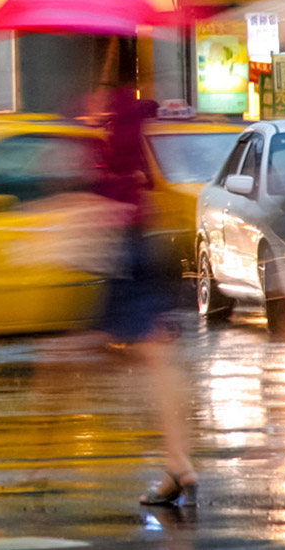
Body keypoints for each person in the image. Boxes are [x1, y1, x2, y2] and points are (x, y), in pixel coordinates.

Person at [92, 88, 198, 506]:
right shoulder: (126, 119)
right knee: (149, 356)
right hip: (134, 240)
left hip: (123, 243)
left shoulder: (118, 118)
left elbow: (119, 184)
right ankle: (177, 461)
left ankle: (177, 461)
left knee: (143, 358)